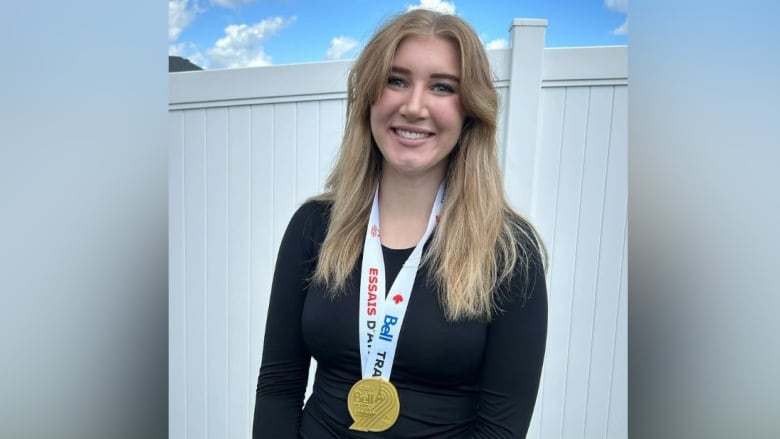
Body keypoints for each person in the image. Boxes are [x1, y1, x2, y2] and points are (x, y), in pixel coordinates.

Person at [252, 9, 547, 438]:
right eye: (397, 80)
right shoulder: (313, 227)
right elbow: (279, 387)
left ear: (470, 111)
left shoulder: (508, 252)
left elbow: (501, 428)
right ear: (370, 95)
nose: (413, 106)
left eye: (442, 87)